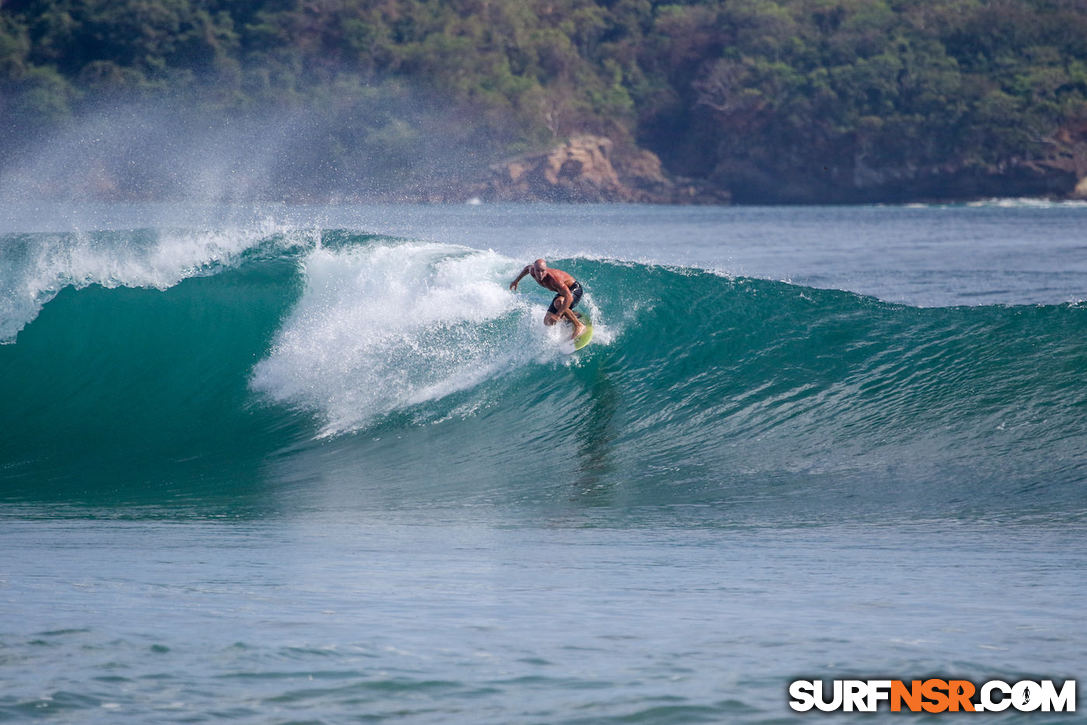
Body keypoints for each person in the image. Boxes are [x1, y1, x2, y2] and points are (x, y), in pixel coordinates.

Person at [509, 258, 586, 339]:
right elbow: (527, 268)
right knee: (548, 322)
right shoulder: (531, 270)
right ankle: (571, 315)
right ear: (534, 270)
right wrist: (516, 280)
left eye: (543, 271)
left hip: (574, 289)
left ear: (546, 270)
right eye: (538, 271)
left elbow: (569, 297)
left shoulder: (554, 279)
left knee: (558, 303)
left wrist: (558, 315)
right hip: (562, 293)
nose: (540, 274)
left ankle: (579, 325)